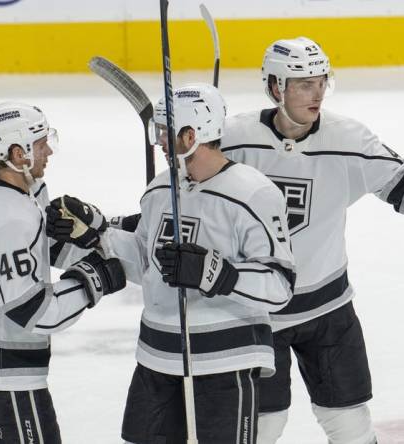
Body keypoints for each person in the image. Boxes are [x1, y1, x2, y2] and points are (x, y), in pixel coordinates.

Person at [219, 37, 404, 444]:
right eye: (304, 84)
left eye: (321, 81)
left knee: (350, 424)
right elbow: (194, 199)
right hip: (256, 313)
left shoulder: (347, 139)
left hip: (328, 309)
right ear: (276, 87)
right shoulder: (234, 139)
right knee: (262, 426)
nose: (318, 93)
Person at [47, 83, 296, 444]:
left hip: (226, 359)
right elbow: (146, 264)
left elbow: (280, 287)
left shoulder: (253, 194)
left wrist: (218, 274)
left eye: (164, 132)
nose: (159, 141)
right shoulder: (160, 190)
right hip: (158, 354)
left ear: (191, 134)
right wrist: (96, 235)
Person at [0, 102, 127, 444]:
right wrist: (93, 279)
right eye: (40, 143)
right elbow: (35, 312)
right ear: (17, 152)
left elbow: (28, 251)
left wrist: (88, 240)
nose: (49, 149)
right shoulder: (9, 217)